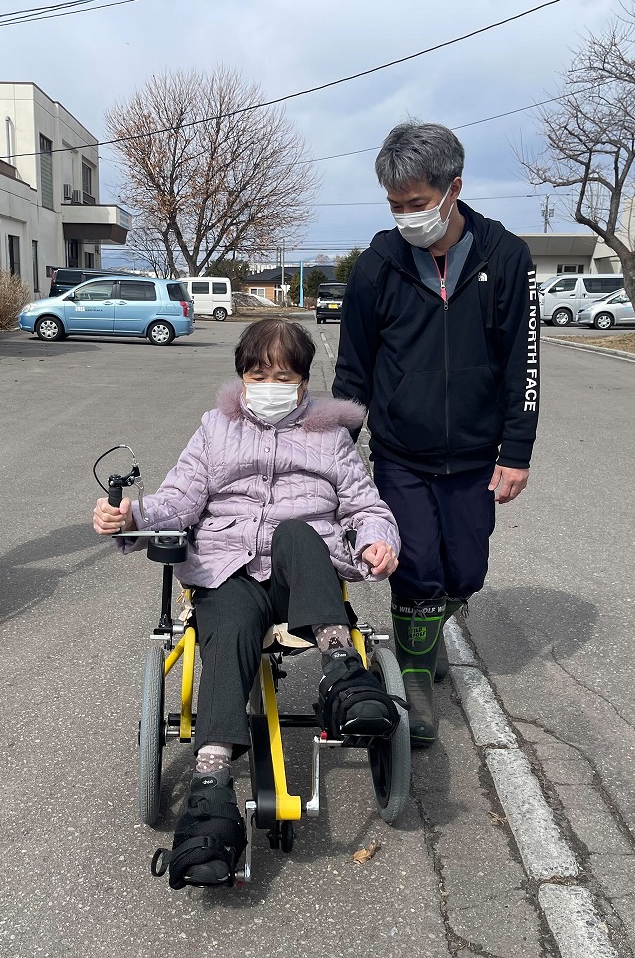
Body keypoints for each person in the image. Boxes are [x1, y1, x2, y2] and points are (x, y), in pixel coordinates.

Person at [93, 318, 402, 889]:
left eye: (282, 374)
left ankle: (342, 671)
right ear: (241, 376)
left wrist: (380, 539)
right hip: (227, 566)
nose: (268, 383)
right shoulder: (215, 430)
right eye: (257, 372)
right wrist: (131, 516)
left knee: (297, 533)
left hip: (299, 572)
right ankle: (211, 792)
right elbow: (179, 499)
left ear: (305, 383)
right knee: (229, 626)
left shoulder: (331, 438)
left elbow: (366, 506)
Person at [333, 120, 540, 750]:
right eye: (395, 206)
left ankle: (426, 630)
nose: (406, 218)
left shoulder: (506, 258)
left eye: (418, 205)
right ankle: (416, 674)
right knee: (416, 566)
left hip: (477, 455)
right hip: (401, 453)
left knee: (465, 572)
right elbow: (354, 368)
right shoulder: (378, 267)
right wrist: (336, 449)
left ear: (454, 189)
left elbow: (522, 364)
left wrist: (516, 450)